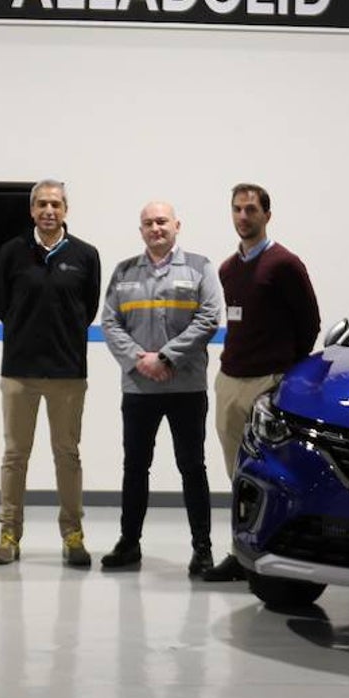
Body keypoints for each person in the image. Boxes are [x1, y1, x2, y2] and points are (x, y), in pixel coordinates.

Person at [203, 183, 320, 582]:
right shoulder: (227, 269)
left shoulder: (284, 264)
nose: (243, 217)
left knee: (269, 475)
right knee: (237, 475)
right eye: (237, 209)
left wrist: (284, 375)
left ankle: (272, 553)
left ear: (267, 215)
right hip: (229, 381)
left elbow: (309, 325)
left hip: (267, 384)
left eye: (251, 209)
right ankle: (242, 551)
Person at [100, 201, 222, 574]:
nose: (156, 228)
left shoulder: (201, 267)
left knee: (192, 467)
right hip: (139, 388)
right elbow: (110, 322)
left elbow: (209, 318)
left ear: (176, 225)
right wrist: (141, 360)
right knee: (135, 467)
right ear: (141, 230)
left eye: (162, 221)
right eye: (148, 223)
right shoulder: (123, 272)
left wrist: (165, 358)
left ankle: (202, 549)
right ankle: (129, 543)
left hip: (185, 387)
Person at [0, 179, 102, 568]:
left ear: (66, 209)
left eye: (55, 204)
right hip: (19, 372)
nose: (49, 210)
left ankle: (73, 534)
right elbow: (3, 305)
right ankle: (9, 533)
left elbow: (87, 310)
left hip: (68, 373)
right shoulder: (11, 252)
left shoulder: (86, 256)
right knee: (14, 456)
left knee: (67, 455)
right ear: (32, 210)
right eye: (41, 204)